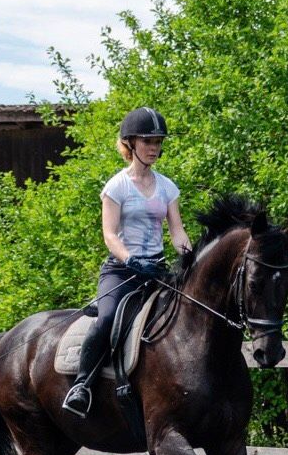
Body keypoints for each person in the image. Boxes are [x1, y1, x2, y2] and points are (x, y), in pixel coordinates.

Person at [62, 107, 192, 418]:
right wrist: (132, 260)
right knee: (106, 320)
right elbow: (110, 235)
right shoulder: (116, 187)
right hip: (122, 271)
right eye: (148, 141)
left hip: (157, 270)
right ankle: (82, 385)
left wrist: (190, 257)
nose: (154, 148)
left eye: (158, 142)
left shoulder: (167, 187)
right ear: (130, 143)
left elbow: (177, 232)